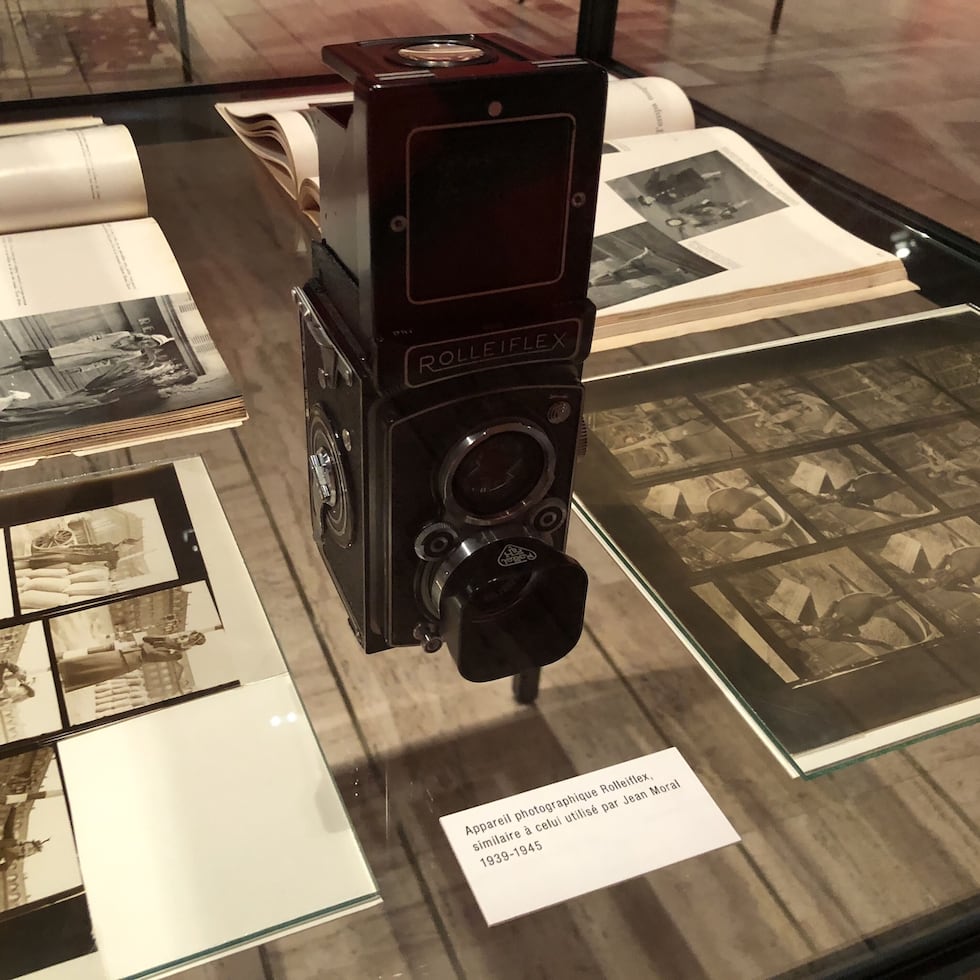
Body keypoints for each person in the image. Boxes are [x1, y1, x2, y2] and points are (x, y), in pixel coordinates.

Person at [57, 631, 206, 692]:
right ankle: (64, 668)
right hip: (127, 653)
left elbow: (152, 655)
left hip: (131, 661)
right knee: (93, 660)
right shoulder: (169, 641)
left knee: (98, 670)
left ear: (191, 645)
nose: (185, 639)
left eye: (189, 640)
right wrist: (164, 639)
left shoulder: (177, 654)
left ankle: (69, 681)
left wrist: (162, 645)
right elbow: (147, 639)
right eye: (187, 636)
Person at [0, 332, 174, 375]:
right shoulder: (125, 335)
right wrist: (81, 343)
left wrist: (82, 369)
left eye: (152, 345)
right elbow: (98, 336)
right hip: (74, 349)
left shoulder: (134, 354)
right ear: (148, 337)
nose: (148, 343)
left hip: (81, 358)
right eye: (151, 340)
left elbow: (106, 363)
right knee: (29, 358)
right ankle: (3, 369)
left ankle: (4, 373)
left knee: (31, 366)